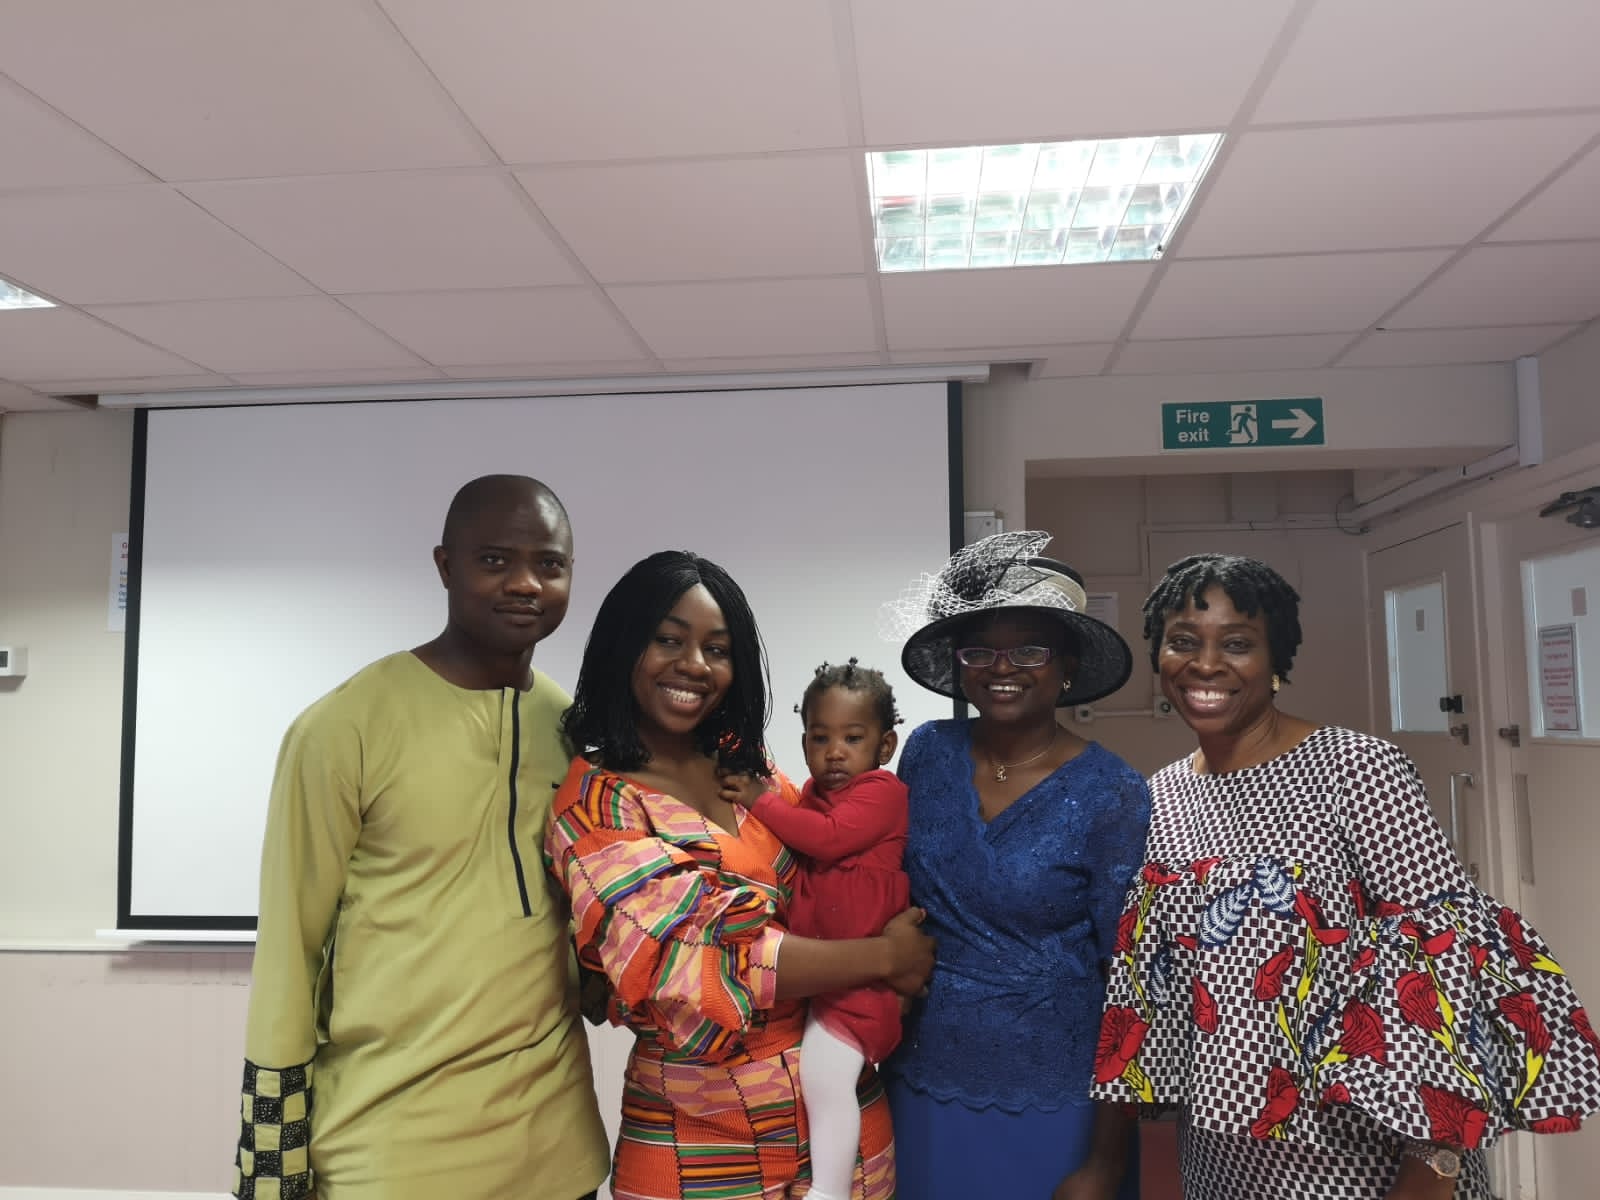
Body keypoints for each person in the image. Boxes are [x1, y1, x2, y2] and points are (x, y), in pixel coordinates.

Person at [1090, 553, 1600, 1199]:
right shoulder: (1162, 795)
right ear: (1159, 656)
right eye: (1184, 642)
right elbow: (1146, 985)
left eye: (1238, 644)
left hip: (1364, 1159)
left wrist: (1433, 1169)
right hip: (1219, 1157)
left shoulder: (1356, 769)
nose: (1206, 664)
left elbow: (1438, 963)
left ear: (1277, 660)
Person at [231, 475, 609, 1200]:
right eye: (494, 560)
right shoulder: (342, 727)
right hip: (388, 1154)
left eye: (549, 564)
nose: (525, 584)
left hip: (559, 1155)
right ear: (445, 566)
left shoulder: (569, 727)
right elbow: (288, 952)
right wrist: (271, 1167)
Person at [545, 551, 935, 1200]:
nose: (695, 664)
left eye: (718, 649)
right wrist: (886, 957)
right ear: (624, 645)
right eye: (669, 640)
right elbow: (701, 965)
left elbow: (831, 868)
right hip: (700, 1143)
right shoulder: (598, 806)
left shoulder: (742, 766)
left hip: (842, 1130)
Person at [879, 530, 1151, 1200]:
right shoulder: (927, 751)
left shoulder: (1112, 791)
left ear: (1066, 667)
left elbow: (1130, 980)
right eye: (980, 650)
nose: (1002, 668)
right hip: (920, 1081)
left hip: (1057, 1099)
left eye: (1029, 649)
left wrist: (1105, 1162)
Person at [721, 658, 912, 1200]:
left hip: (862, 982)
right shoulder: (811, 793)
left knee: (825, 1078)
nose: (834, 752)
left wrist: (757, 799)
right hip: (828, 976)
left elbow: (824, 839)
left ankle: (828, 1191)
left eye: (853, 738)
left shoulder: (882, 793)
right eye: (819, 737)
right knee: (818, 1078)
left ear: (885, 746)